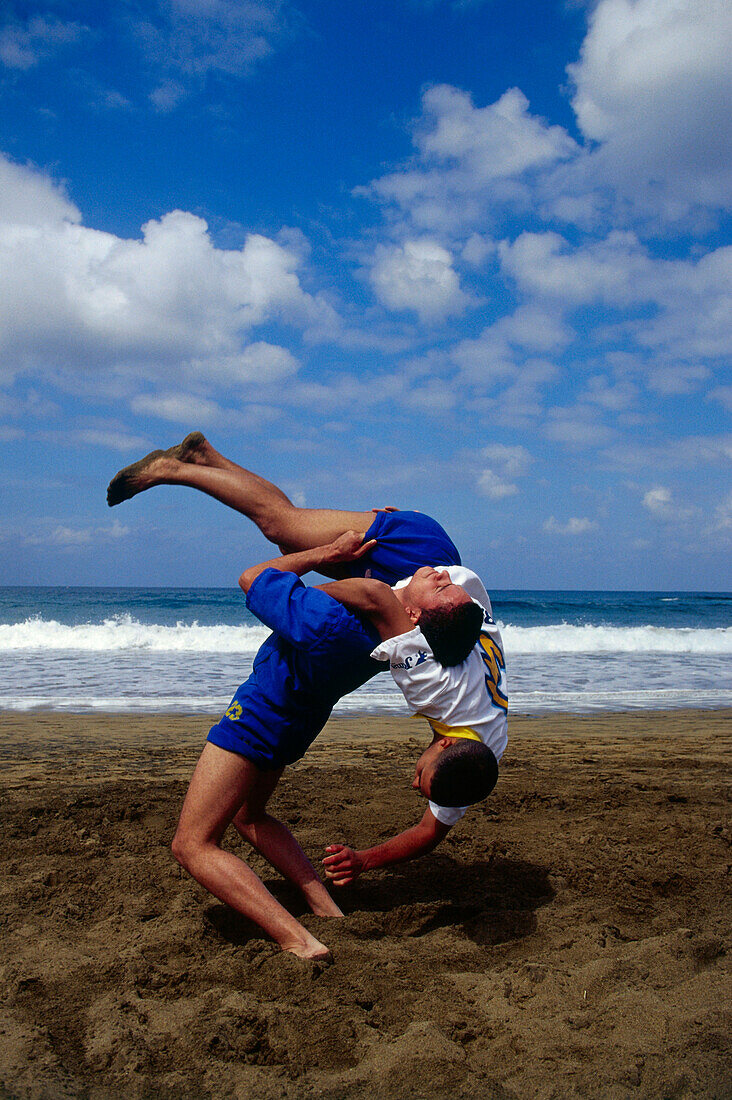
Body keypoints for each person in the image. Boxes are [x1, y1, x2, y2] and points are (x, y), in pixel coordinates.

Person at [106, 432, 482, 662]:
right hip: (418, 554)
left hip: (418, 559)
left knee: (284, 534)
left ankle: (204, 457)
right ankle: (173, 470)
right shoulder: (458, 662)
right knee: (280, 522)